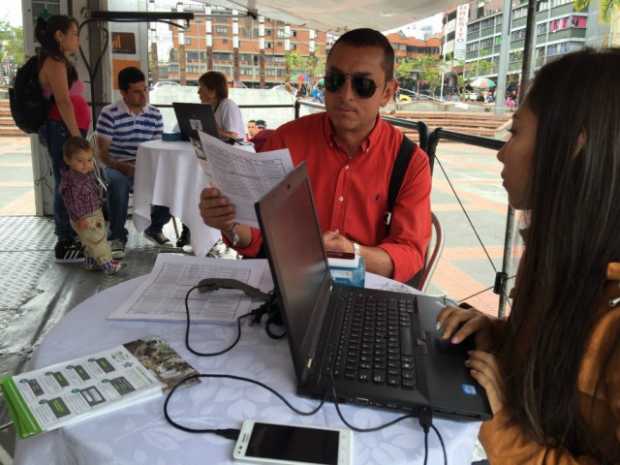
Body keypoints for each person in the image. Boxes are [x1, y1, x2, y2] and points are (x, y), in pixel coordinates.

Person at [436, 49, 620, 464]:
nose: (502, 152)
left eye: (516, 132)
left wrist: (499, 426)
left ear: (574, 147)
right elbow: (558, 361)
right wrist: (494, 333)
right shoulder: (560, 256)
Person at [200, 28, 432, 283]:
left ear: (387, 92)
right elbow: (256, 235)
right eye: (334, 81)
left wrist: (353, 254)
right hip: (289, 282)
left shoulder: (409, 161)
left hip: (365, 287)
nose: (345, 95)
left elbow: (410, 252)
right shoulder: (286, 141)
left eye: (363, 85)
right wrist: (229, 224)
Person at [96, 67, 172, 258]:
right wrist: (123, 167)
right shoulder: (109, 113)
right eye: (137, 92)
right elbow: (102, 154)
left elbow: (157, 148)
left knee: (170, 180)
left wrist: (145, 168)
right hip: (116, 164)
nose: (143, 95)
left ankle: (154, 228)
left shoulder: (154, 114)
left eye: (145, 89)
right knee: (118, 182)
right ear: (123, 93)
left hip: (145, 165)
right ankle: (117, 236)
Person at [37, 15, 91, 263]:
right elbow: (62, 101)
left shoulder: (60, 61)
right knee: (64, 183)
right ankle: (64, 241)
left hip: (65, 129)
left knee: (69, 182)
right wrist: (76, 136)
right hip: (62, 130)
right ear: (60, 35)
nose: (77, 39)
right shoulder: (54, 62)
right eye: (75, 33)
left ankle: (70, 236)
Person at [59, 137, 121, 274]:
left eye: (89, 160)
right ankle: (107, 264)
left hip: (93, 212)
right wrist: (80, 219)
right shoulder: (72, 183)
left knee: (89, 240)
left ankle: (90, 262)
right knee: (97, 240)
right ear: (67, 160)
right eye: (79, 161)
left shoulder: (84, 174)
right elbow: (72, 203)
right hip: (85, 217)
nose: (85, 164)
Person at [197, 71, 245, 140]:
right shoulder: (209, 107)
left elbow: (234, 137)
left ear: (212, 91)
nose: (198, 92)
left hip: (235, 148)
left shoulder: (228, 105)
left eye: (201, 88)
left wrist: (210, 129)